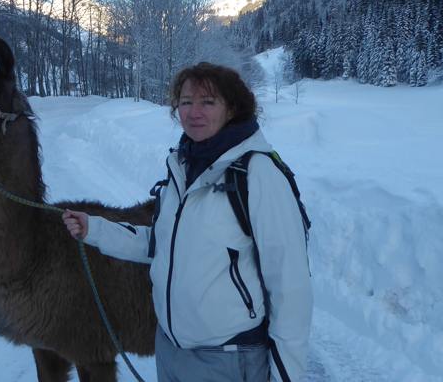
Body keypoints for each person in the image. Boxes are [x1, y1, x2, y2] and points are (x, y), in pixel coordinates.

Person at [62, 63, 313, 382]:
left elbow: (290, 285)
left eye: (208, 102)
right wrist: (94, 229)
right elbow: (159, 243)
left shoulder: (257, 174)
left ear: (232, 108)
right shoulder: (182, 167)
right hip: (170, 350)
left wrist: (286, 376)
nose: (194, 112)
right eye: (185, 102)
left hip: (228, 359)